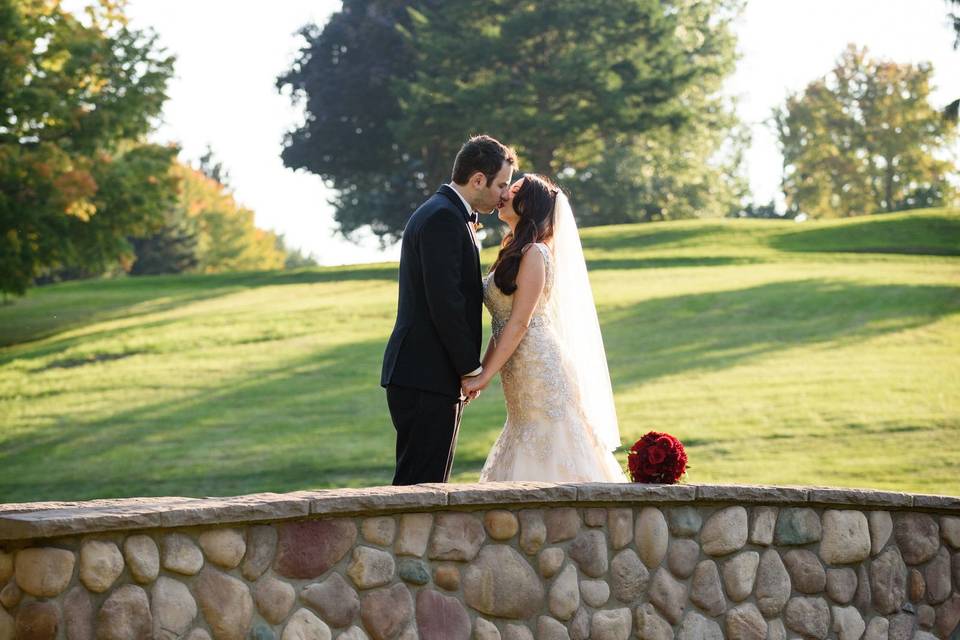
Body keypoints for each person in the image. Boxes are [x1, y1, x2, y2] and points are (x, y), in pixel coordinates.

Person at [462, 174, 627, 482]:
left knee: (551, 437)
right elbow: (502, 324)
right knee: (523, 430)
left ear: (529, 205)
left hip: (539, 363)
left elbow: (520, 322)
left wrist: (485, 375)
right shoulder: (512, 250)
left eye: (512, 191)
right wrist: (480, 371)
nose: (503, 195)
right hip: (518, 365)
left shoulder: (536, 253)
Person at [381, 135, 516, 485]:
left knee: (425, 487)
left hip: (426, 375)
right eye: (501, 184)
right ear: (477, 180)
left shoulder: (445, 213)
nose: (505, 193)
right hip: (425, 374)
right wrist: (470, 368)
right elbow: (446, 302)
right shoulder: (443, 218)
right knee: (420, 492)